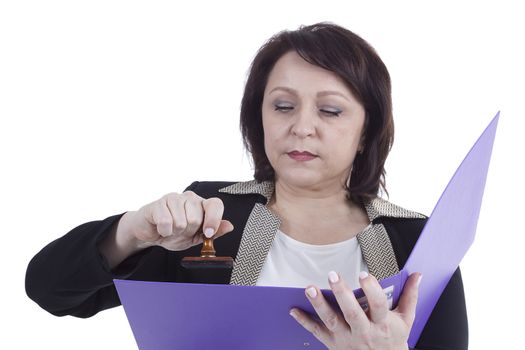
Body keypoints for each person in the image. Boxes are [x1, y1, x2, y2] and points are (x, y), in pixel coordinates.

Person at [25, 22, 468, 349]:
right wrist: (131, 232)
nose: (301, 127)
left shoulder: (420, 240)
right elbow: (49, 289)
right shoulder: (206, 214)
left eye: (330, 111)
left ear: (367, 132)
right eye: (282, 105)